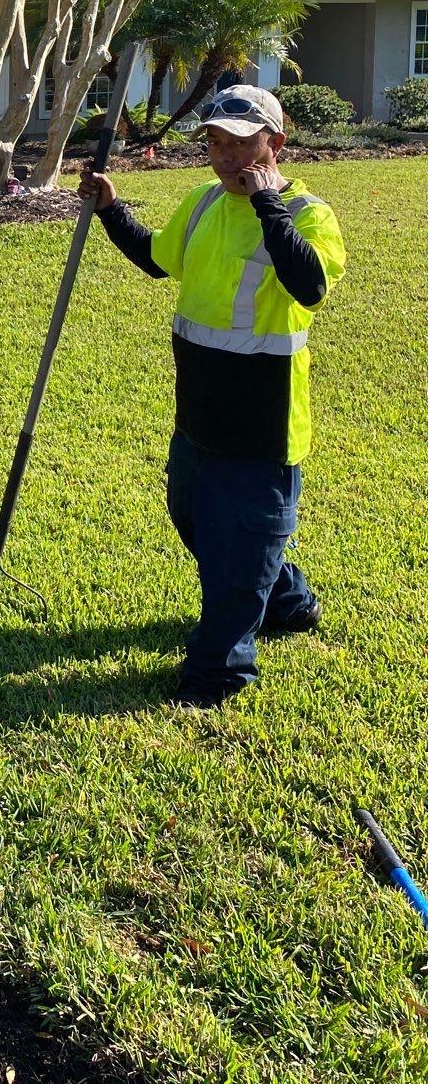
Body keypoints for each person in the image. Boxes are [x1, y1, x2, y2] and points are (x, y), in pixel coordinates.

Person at [78, 83, 346, 708]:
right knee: (195, 518)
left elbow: (308, 286)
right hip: (198, 408)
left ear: (275, 144)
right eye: (217, 144)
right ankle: (287, 601)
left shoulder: (309, 215)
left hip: (263, 417)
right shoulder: (201, 203)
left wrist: (269, 206)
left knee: (239, 549)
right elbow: (156, 259)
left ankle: (218, 672)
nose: (226, 158)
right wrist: (112, 211)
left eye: (242, 144)